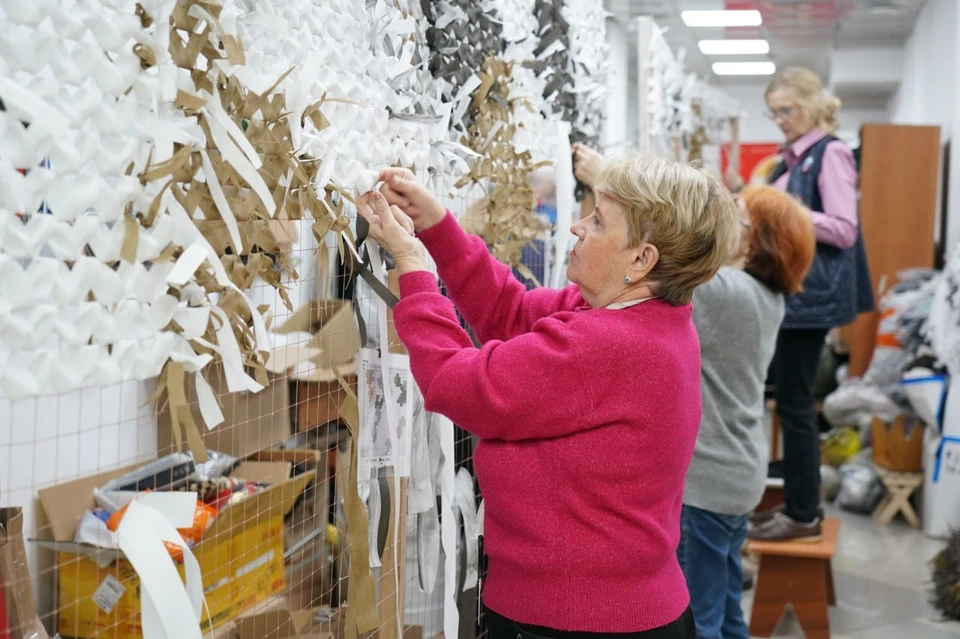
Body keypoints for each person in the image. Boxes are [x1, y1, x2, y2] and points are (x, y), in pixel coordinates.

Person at [357, 155, 741, 639]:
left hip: (574, 621)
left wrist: (413, 269)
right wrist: (437, 226)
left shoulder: (609, 345)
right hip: (626, 609)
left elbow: (454, 382)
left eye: (599, 221)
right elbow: (510, 310)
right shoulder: (645, 319)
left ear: (641, 259)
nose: (578, 227)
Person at [680, 185, 816, 639]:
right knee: (725, 606)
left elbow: (665, 266)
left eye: (735, 214)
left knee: (698, 620)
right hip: (736, 474)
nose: (723, 218)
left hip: (708, 481)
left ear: (753, 240)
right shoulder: (763, 296)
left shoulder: (728, 292)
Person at [745, 66, 873, 542]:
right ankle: (795, 503)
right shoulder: (790, 162)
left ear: (812, 106)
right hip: (793, 293)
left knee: (797, 406)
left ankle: (803, 514)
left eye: (787, 109)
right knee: (788, 401)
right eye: (773, 111)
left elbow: (843, 228)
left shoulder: (831, 154)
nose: (779, 118)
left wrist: (781, 210)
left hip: (810, 297)